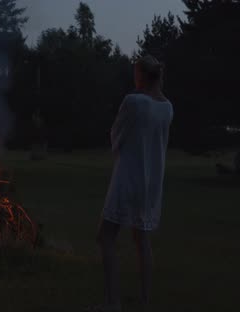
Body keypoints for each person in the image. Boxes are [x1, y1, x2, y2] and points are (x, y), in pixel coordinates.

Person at [93, 55, 174, 312]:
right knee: (142, 239)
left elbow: (117, 134)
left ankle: (112, 302)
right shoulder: (168, 107)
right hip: (151, 182)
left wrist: (117, 149)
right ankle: (145, 301)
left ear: (141, 76)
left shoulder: (134, 102)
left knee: (105, 236)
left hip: (128, 177)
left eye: (135, 73)